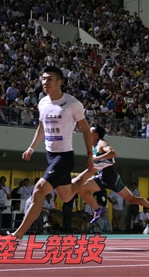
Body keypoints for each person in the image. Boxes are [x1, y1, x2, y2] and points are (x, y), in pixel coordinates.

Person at [8, 66, 96, 240]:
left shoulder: (72, 104)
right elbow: (41, 127)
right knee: (66, 196)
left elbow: (86, 130)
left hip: (64, 156)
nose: (45, 82)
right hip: (51, 156)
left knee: (39, 190)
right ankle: (88, 175)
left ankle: (17, 235)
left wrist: (90, 154)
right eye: (43, 79)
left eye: (49, 79)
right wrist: (31, 147)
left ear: (59, 82)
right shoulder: (42, 102)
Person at [78, 124, 149, 228]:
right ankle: (98, 209)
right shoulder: (93, 147)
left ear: (96, 135)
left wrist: (96, 159)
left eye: (90, 132)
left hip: (112, 177)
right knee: (81, 189)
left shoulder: (102, 143)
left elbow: (113, 153)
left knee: (132, 199)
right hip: (101, 178)